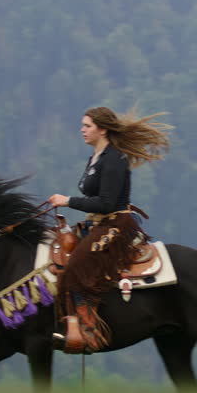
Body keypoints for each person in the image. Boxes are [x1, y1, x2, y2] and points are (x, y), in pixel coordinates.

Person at [48, 106, 172, 353]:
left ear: (102, 129)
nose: (82, 130)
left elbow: (106, 203)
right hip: (98, 223)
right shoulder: (96, 157)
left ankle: (88, 332)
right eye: (83, 125)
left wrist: (67, 201)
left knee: (77, 267)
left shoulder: (114, 159)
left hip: (116, 224)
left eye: (87, 126)